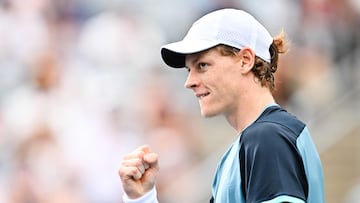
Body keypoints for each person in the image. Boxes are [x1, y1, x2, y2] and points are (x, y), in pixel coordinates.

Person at [118, 8, 325, 203]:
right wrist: (142, 198)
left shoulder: (266, 138)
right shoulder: (255, 141)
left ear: (245, 60)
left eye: (202, 65)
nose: (189, 82)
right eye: (189, 70)